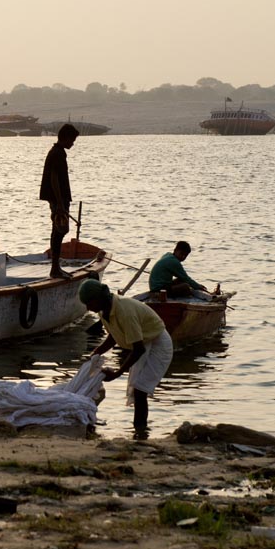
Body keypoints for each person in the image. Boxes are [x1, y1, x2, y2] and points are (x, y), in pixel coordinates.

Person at [78, 278, 173, 435]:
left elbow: (138, 349)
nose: (88, 308)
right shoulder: (104, 311)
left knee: (140, 390)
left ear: (98, 298)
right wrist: (96, 352)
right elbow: (113, 335)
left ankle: (140, 432)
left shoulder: (124, 310)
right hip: (144, 342)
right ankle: (139, 430)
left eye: (89, 303)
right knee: (137, 388)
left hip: (157, 343)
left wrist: (117, 373)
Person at [39, 123, 79, 279]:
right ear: (66, 138)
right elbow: (54, 178)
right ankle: (55, 268)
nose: (73, 144)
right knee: (59, 230)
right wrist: (60, 203)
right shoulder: (57, 153)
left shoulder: (58, 152)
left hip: (59, 198)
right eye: (72, 140)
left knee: (59, 230)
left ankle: (56, 266)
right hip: (58, 199)